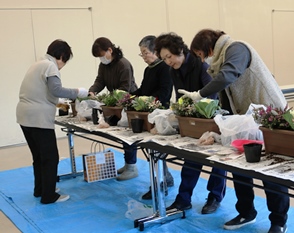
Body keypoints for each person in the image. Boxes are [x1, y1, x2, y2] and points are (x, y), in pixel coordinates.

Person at [186, 29, 289, 233]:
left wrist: (200, 94)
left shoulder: (237, 48)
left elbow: (228, 76)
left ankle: (278, 221)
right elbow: (226, 92)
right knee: (239, 167)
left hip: (268, 115)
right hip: (245, 119)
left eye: (201, 54)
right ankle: (246, 212)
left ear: (208, 47)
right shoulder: (222, 58)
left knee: (270, 171)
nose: (203, 59)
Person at [153, 32, 226, 214]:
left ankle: (214, 197)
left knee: (217, 162)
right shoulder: (173, 70)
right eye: (164, 59)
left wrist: (197, 109)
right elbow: (180, 96)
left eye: (169, 56)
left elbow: (212, 94)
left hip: (212, 116)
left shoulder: (200, 63)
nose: (168, 62)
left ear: (179, 50)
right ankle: (183, 199)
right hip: (192, 119)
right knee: (190, 160)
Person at [16, 39, 89, 204]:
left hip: (25, 116)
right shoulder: (50, 66)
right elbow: (56, 89)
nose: (64, 65)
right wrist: (79, 92)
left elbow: (43, 92)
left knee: (39, 157)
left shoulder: (37, 64)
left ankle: (40, 189)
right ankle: (49, 195)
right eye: (65, 60)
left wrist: (59, 102)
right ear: (61, 56)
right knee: (50, 157)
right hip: (38, 118)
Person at [88, 37, 139, 181]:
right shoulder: (104, 66)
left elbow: (125, 88)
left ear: (110, 50)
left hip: (128, 102)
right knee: (121, 135)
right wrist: (93, 91)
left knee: (128, 135)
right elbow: (100, 81)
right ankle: (128, 163)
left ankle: (132, 166)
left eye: (101, 55)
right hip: (115, 103)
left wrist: (113, 100)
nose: (101, 59)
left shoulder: (124, 65)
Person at [133, 35, 175, 199]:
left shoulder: (165, 68)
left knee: (157, 151)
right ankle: (165, 178)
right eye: (141, 54)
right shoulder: (148, 69)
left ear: (154, 51)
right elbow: (143, 90)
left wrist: (146, 100)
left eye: (145, 53)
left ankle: (161, 182)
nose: (143, 57)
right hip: (147, 113)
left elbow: (164, 93)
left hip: (160, 114)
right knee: (151, 150)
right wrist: (129, 97)